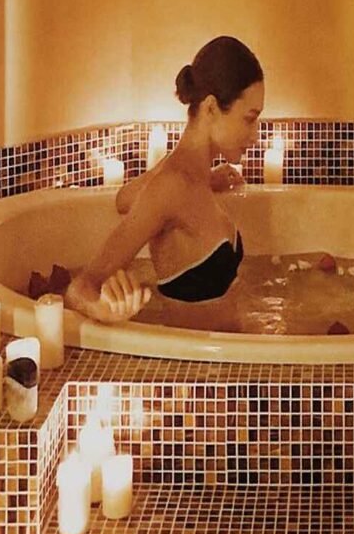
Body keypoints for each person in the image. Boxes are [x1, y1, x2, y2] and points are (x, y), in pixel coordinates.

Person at [65, 36, 263, 323]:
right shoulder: (172, 187)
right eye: (249, 118)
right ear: (210, 108)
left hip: (226, 351)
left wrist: (207, 179)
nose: (255, 135)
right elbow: (80, 288)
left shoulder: (189, 179)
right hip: (195, 361)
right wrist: (104, 309)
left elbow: (125, 199)